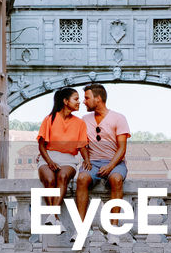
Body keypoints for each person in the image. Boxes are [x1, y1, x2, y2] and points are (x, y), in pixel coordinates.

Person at [75, 82, 130, 220]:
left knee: (116, 179)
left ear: (98, 99)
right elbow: (82, 144)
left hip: (115, 163)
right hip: (92, 163)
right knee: (81, 178)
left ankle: (113, 227)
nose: (84, 101)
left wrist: (110, 166)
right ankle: (80, 227)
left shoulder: (119, 118)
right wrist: (86, 159)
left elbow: (122, 148)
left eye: (87, 98)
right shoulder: (84, 120)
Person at [36, 87, 89, 206]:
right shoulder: (49, 119)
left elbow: (82, 146)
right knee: (49, 180)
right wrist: (49, 162)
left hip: (68, 159)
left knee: (63, 176)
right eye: (76, 99)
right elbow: (41, 145)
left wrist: (87, 160)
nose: (79, 102)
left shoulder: (80, 123)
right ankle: (53, 216)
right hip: (48, 157)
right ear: (66, 101)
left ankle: (52, 216)